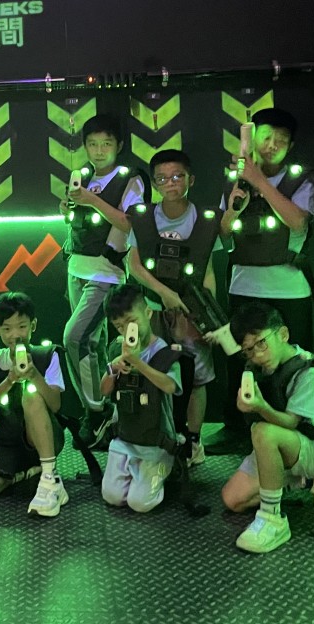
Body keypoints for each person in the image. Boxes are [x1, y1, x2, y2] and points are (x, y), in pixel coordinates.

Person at [214, 107, 314, 453]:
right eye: (266, 137)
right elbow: (223, 230)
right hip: (244, 284)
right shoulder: (234, 179)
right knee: (240, 361)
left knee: (291, 363)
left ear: (291, 146)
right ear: (252, 138)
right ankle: (236, 429)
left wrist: (259, 181)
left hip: (289, 288)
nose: (272, 145)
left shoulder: (300, 180)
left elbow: (298, 221)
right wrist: (237, 200)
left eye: (281, 140)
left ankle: (297, 430)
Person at [125, 148, 223, 465]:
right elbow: (134, 266)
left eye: (178, 176)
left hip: (192, 311)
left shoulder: (206, 220)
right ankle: (159, 437)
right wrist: (163, 293)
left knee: (197, 378)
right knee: (154, 373)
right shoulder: (142, 217)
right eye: (163, 178)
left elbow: (208, 271)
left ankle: (193, 441)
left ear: (190, 180)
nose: (171, 183)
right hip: (153, 309)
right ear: (155, 184)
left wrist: (207, 318)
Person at [60, 114, 147, 445]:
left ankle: (96, 410)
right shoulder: (81, 175)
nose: (99, 151)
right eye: (93, 144)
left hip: (106, 272)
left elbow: (131, 224)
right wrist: (68, 207)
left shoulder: (130, 180)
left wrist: (92, 201)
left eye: (106, 144)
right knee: (92, 344)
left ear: (119, 146)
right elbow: (76, 217)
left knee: (75, 339)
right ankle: (103, 413)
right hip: (76, 267)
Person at [221, 303, 314, 553]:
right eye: (248, 350)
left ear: (283, 334)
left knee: (263, 432)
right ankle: (290, 481)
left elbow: (291, 423)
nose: (257, 355)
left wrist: (260, 407)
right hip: (281, 446)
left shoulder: (310, 373)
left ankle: (273, 519)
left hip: (313, 449)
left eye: (261, 343)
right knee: (232, 500)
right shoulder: (262, 370)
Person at [0, 292, 69, 517]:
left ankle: (49, 477)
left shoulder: (47, 355)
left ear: (33, 325)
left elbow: (55, 405)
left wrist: (34, 376)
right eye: (7, 329)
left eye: (22, 327)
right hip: (7, 441)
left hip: (43, 438)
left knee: (31, 396)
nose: (15, 335)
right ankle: (25, 476)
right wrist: (10, 379)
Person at [99, 284, 181, 513]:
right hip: (125, 437)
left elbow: (170, 386)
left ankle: (167, 468)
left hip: (155, 441)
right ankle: (133, 473)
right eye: (119, 326)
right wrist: (113, 368)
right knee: (112, 496)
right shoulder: (117, 349)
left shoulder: (164, 353)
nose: (126, 330)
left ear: (148, 313)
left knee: (140, 503)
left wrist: (138, 363)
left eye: (131, 322)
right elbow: (103, 391)